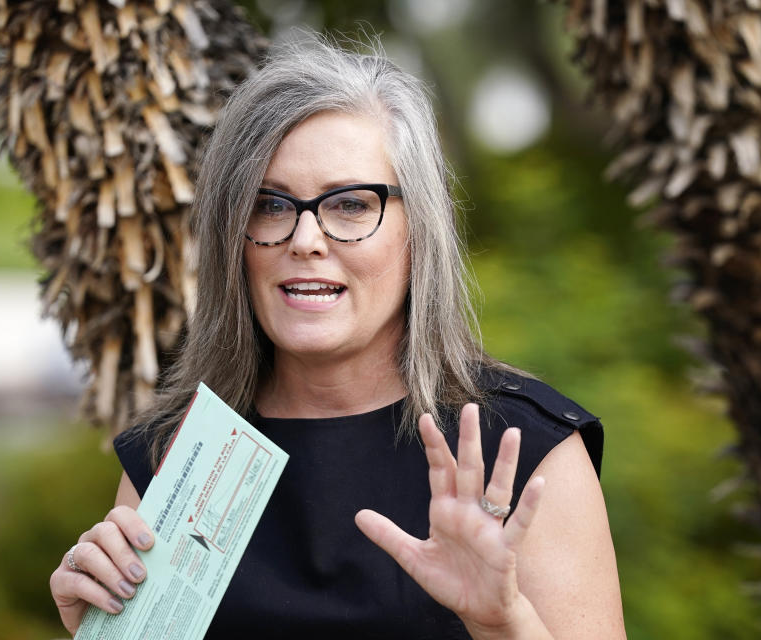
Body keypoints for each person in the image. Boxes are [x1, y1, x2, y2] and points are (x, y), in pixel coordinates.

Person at [49, 34, 626, 639]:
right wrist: (99, 629)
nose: (305, 239)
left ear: (419, 231)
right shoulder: (179, 452)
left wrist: (502, 624)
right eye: (269, 205)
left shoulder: (524, 452)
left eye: (350, 204)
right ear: (232, 238)